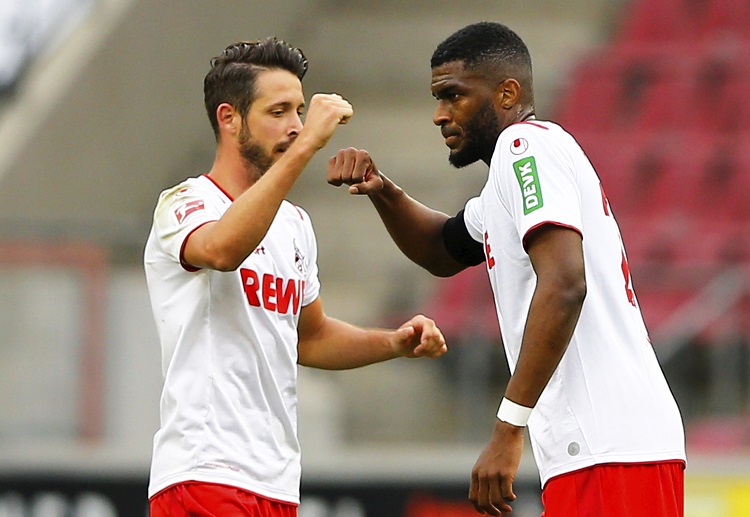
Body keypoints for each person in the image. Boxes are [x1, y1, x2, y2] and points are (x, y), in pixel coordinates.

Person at [327, 22, 686, 516]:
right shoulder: (511, 175)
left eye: (454, 95)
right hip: (611, 446)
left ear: (507, 93)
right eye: (437, 99)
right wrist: (382, 189)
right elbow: (442, 248)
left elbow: (564, 284)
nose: (439, 115)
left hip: (606, 447)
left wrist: (508, 428)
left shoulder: (525, 147)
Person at [143, 37, 448, 516]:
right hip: (205, 472)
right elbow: (222, 250)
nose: (296, 126)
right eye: (278, 111)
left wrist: (393, 343)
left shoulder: (294, 224)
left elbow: (310, 337)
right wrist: (307, 147)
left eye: (300, 112)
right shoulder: (185, 202)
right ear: (229, 118)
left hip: (277, 482)